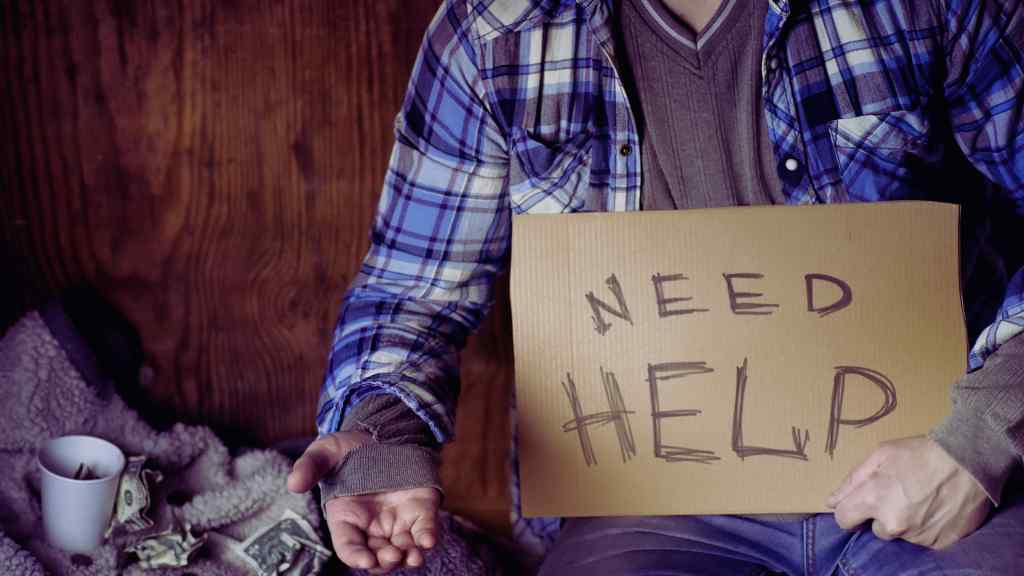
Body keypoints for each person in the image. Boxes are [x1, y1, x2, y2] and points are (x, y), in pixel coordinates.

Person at [287, 0, 1024, 573]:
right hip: (646, 504)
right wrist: (384, 434)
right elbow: (415, 284)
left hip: (941, 467)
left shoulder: (924, 7)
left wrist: (987, 433)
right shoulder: (493, 32)